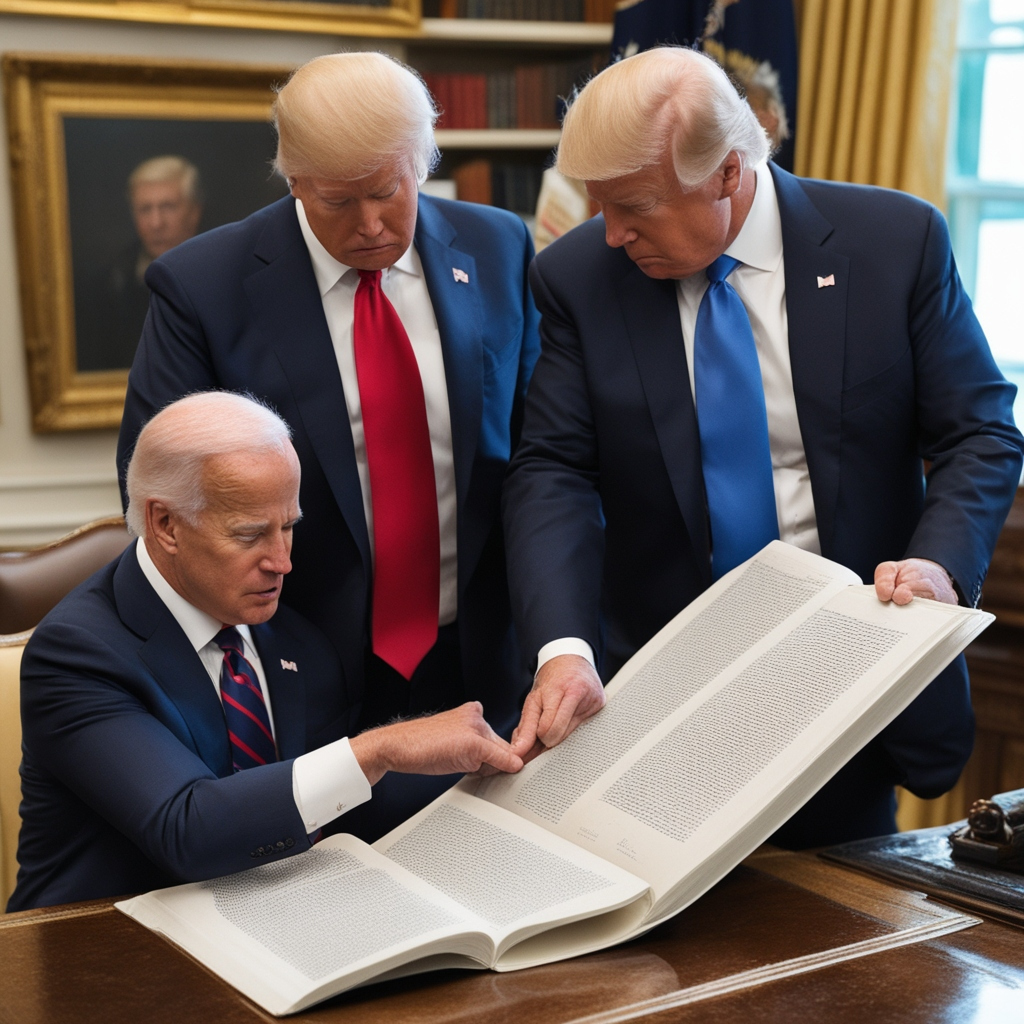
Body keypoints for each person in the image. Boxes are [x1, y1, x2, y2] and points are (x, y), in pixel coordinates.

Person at [502, 47, 1024, 847]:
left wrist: (939, 567)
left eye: (635, 206)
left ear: (727, 172)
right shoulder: (577, 277)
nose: (612, 234)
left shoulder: (893, 243)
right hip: (665, 703)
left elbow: (978, 431)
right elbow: (553, 470)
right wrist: (563, 649)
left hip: (851, 686)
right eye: (600, 204)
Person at [115, 53, 540, 840]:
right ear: (294, 181)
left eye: (388, 191)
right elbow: (158, 494)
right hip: (298, 673)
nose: (370, 224)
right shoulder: (203, 286)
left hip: (486, 656)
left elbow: (539, 458)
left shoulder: (498, 247)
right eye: (339, 201)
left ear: (421, 164)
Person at [9, 393, 521, 912]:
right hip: (99, 943)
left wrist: (498, 762)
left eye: (289, 527)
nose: (281, 562)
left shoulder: (293, 633)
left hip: (274, 922)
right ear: (165, 524)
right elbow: (188, 828)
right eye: (250, 534)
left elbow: (335, 804)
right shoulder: (75, 654)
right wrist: (378, 748)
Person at [78, 156, 203, 372]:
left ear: (194, 213)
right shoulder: (109, 285)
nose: (156, 223)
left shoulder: (222, 276)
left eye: (168, 207)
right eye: (145, 209)